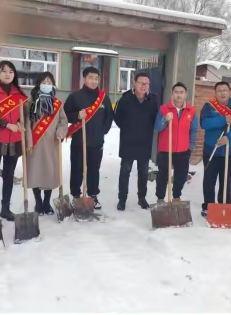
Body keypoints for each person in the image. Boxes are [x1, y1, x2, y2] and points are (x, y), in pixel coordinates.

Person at [64, 66, 113, 210]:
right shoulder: (75, 97)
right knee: (77, 168)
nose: (93, 81)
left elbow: (109, 116)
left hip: (96, 141)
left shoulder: (104, 98)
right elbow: (65, 115)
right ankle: (76, 195)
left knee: (94, 169)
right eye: (90, 78)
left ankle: (92, 195)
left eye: (96, 78)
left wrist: (102, 131)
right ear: (84, 79)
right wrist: (77, 116)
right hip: (79, 140)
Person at [0, 61, 28, 221]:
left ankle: (5, 208)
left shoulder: (18, 92)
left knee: (9, 176)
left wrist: (19, 122)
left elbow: (23, 113)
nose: (7, 74)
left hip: (14, 140)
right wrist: (6, 124)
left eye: (11, 72)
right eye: (4, 71)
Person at [200, 81, 231, 218]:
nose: (222, 92)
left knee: (226, 180)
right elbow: (204, 123)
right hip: (211, 151)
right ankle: (208, 206)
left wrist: (229, 137)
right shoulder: (209, 106)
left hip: (229, 151)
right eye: (219, 90)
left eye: (225, 90)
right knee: (209, 180)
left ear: (229, 92)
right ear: (215, 93)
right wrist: (223, 120)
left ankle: (224, 205)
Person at [24, 72, 68, 215]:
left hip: (51, 143)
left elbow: (63, 121)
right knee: (35, 173)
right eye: (44, 82)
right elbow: (27, 124)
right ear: (38, 84)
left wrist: (61, 132)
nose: (47, 85)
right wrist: (29, 142)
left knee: (49, 173)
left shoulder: (57, 103)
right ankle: (38, 203)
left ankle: (47, 203)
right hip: (35, 144)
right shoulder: (30, 102)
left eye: (49, 82)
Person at [114, 72, 158, 211]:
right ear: (135, 83)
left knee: (143, 172)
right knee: (124, 171)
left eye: (146, 84)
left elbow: (155, 119)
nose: (144, 86)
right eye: (141, 83)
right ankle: (122, 199)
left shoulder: (153, 100)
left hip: (144, 142)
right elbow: (117, 117)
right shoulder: (126, 98)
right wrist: (128, 127)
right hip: (128, 141)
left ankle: (141, 198)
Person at [155, 82, 198, 202]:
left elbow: (194, 130)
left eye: (181, 92)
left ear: (186, 94)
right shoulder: (164, 109)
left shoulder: (191, 111)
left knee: (181, 176)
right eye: (176, 92)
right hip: (165, 150)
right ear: (172, 94)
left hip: (183, 150)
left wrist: (190, 147)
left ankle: (176, 196)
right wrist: (165, 119)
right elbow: (158, 127)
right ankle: (160, 198)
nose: (178, 95)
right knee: (163, 176)